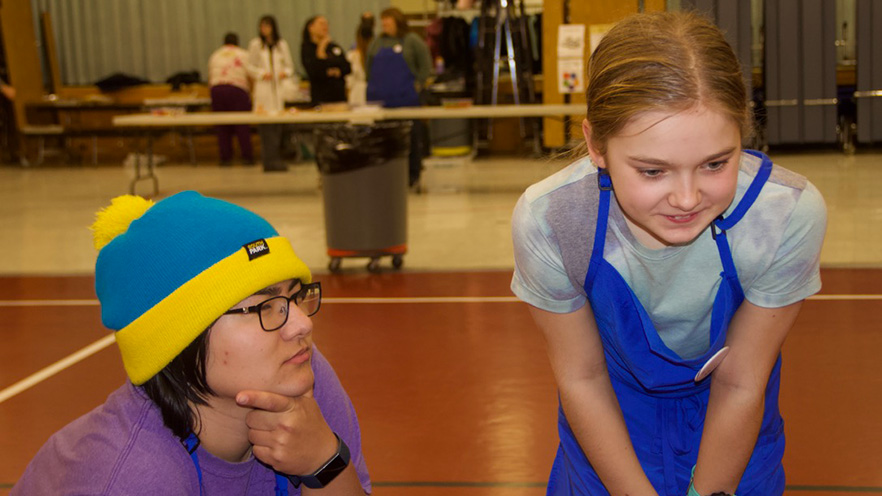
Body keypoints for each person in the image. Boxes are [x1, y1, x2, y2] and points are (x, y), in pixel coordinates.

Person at [510, 11, 826, 496]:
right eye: (653, 171)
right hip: (606, 440)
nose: (685, 198)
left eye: (716, 163)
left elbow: (742, 381)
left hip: (735, 435)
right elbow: (583, 375)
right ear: (595, 145)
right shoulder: (553, 221)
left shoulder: (784, 215)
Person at [13, 191, 372, 495]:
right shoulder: (134, 477)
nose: (301, 323)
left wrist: (325, 463)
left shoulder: (297, 374)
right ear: (181, 338)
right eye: (267, 305)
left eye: (294, 297)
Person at [365, 7, 432, 188]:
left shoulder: (412, 41)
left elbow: (426, 68)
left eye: (388, 21)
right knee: (384, 143)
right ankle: (385, 179)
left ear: (397, 21)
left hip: (406, 101)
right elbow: (368, 69)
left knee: (410, 141)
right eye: (383, 21)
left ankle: (412, 176)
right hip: (381, 103)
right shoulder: (376, 43)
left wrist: (417, 86)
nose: (384, 24)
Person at [248, 15, 295, 172]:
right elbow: (249, 66)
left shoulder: (281, 45)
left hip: (278, 90)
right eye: (262, 26)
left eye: (268, 26)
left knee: (278, 128)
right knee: (265, 128)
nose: (265, 29)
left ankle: (276, 158)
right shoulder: (255, 45)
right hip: (264, 89)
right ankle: (268, 160)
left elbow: (290, 66)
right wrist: (261, 74)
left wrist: (284, 73)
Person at [208, 32, 255, 166]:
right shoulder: (243, 54)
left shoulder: (216, 55)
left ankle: (225, 158)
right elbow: (251, 75)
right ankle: (247, 157)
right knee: (242, 124)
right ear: (237, 43)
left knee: (222, 125)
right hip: (237, 88)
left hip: (216, 89)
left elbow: (211, 77)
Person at [301, 16, 351, 106]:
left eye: (326, 24)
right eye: (321, 24)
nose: (325, 27)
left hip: (339, 97)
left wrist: (338, 71)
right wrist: (321, 49)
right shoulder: (307, 49)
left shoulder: (333, 47)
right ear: (311, 28)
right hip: (321, 98)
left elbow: (347, 66)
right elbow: (315, 71)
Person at [345, 12, 374, 106]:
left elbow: (349, 82)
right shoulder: (354, 55)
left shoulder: (352, 55)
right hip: (366, 92)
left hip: (358, 93)